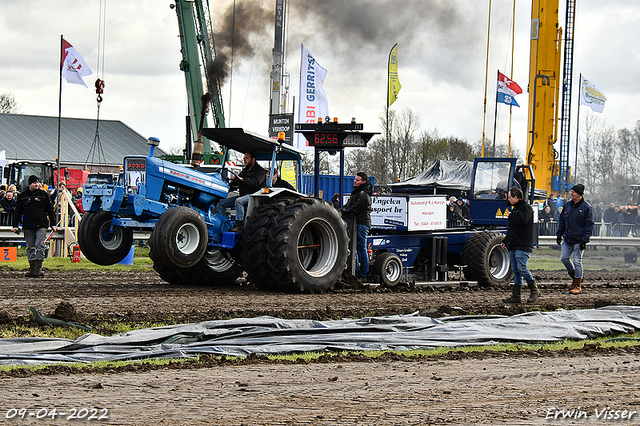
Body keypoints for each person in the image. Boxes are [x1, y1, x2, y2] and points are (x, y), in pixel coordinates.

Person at [12, 175, 58, 278]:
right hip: (28, 225)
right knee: (30, 247)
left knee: (40, 245)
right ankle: (32, 268)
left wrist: (53, 223)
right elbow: (18, 211)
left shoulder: (44, 195)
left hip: (41, 224)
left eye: (37, 182)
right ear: (30, 184)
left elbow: (50, 210)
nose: (36, 184)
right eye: (34, 182)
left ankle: (38, 269)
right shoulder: (23, 196)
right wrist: (15, 224)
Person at [501, 187, 539, 304]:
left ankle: (534, 289)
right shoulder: (516, 209)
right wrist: (505, 240)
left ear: (516, 198)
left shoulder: (526, 208)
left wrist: (511, 216)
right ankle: (516, 296)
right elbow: (512, 228)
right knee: (516, 270)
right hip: (514, 243)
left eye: (510, 197)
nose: (509, 199)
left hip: (523, 243)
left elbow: (523, 221)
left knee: (522, 268)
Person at [556, 184, 594, 294]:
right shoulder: (568, 205)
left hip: (579, 239)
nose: (571, 194)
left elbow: (589, 225)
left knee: (577, 261)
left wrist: (584, 240)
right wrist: (559, 234)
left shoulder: (587, 207)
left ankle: (578, 285)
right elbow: (562, 221)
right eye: (571, 192)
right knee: (564, 258)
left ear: (579, 194)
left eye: (573, 192)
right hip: (568, 238)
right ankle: (575, 278)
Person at [218, 151, 266, 232]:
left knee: (239, 201)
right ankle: (222, 224)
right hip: (243, 195)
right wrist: (225, 187)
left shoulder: (260, 171)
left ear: (253, 159)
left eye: (247, 158)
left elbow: (256, 182)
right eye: (244, 159)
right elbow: (236, 182)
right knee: (222, 202)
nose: (245, 160)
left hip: (254, 196)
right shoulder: (245, 171)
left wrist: (242, 179)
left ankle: (239, 225)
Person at [341, 172, 373, 280]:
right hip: (356, 224)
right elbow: (349, 206)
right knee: (355, 248)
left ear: (363, 182)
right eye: (355, 179)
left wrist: (345, 210)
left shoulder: (364, 195)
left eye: (358, 180)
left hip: (362, 224)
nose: (355, 181)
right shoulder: (357, 193)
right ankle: (354, 272)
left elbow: (355, 208)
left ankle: (363, 274)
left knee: (361, 249)